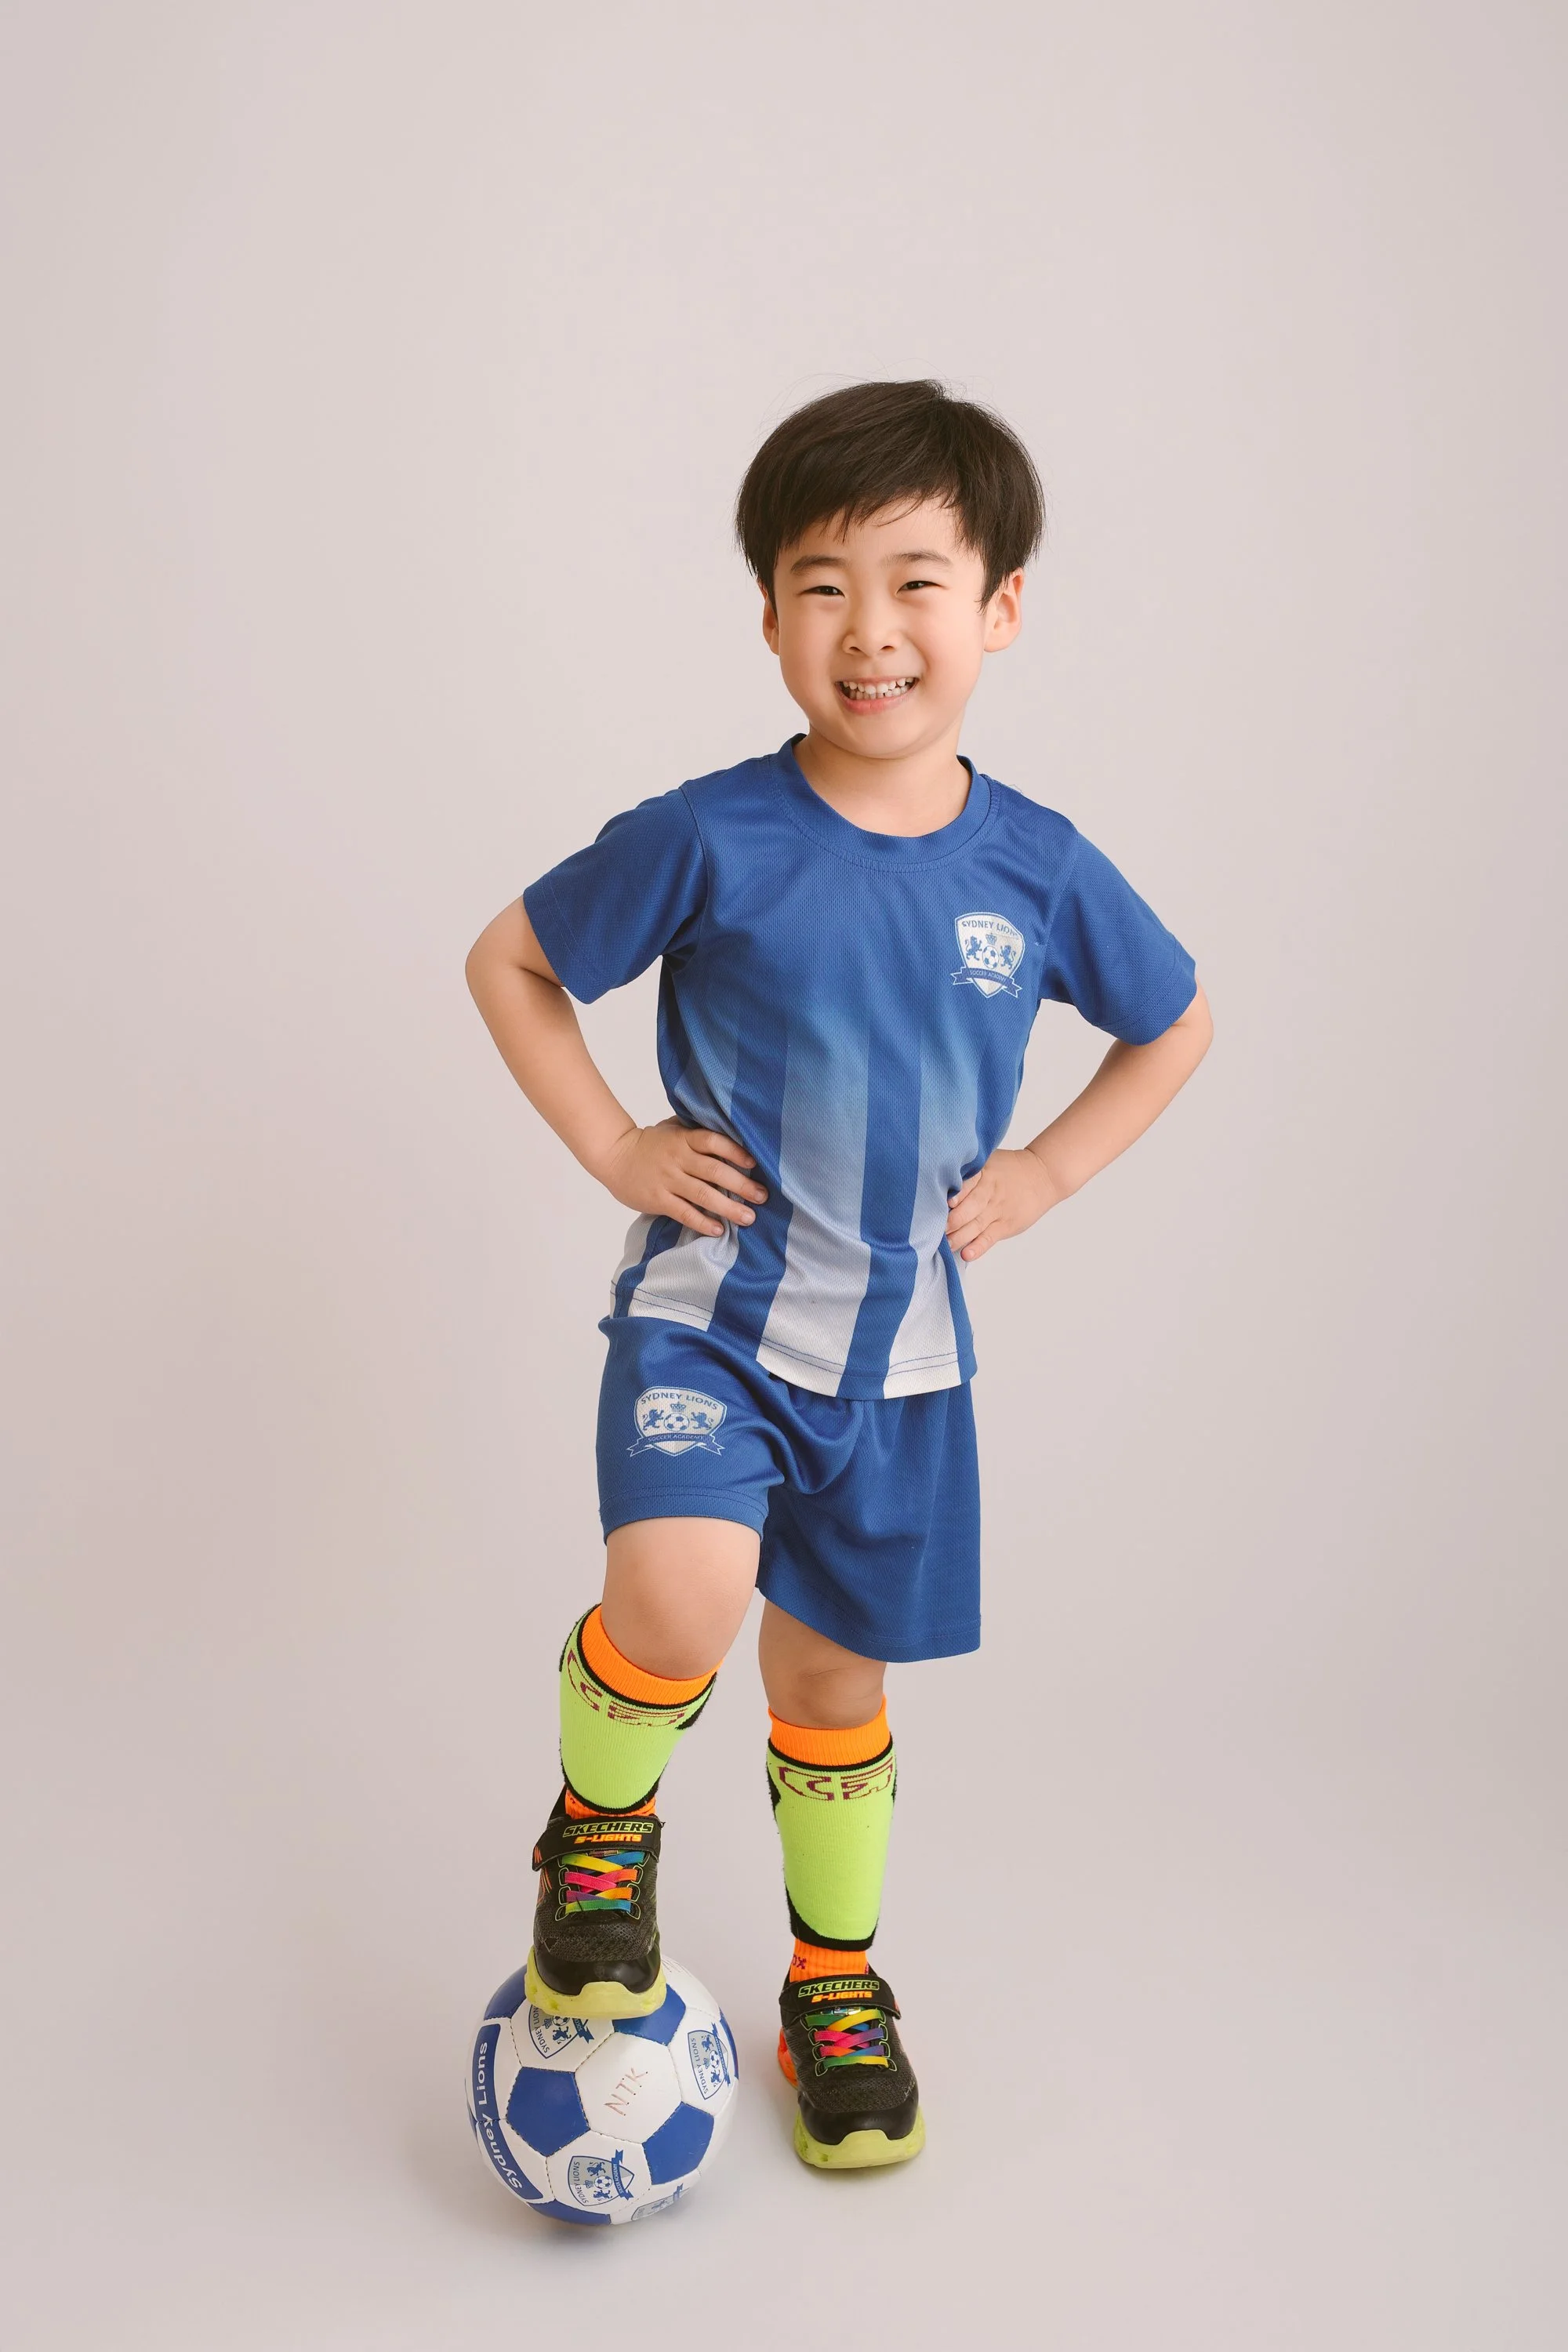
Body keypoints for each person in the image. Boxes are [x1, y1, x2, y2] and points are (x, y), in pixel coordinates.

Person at [465, 379, 1212, 2172]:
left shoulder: (1034, 866)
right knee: (680, 1603)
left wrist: (1047, 1167)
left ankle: (834, 1984)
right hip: (710, 1325)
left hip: (901, 1367)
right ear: (770, 618)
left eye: (914, 583)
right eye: (821, 586)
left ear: (999, 608)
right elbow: (512, 961)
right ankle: (600, 1833)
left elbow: (1173, 1021)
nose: (868, 630)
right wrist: (616, 1148)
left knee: (827, 1690)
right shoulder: (713, 835)